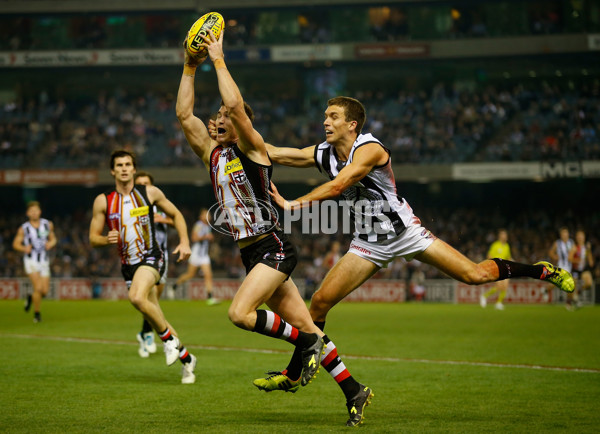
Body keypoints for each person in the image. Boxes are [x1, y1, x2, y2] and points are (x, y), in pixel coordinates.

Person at [262, 95, 575, 398]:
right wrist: (236, 139)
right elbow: (276, 153)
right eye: (325, 115)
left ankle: (540, 270)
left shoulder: (369, 148)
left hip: (405, 233)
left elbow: (340, 184)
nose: (325, 121)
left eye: (333, 117)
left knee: (475, 276)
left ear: (352, 124)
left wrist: (296, 203)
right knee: (318, 302)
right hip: (368, 243)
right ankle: (292, 375)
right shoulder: (326, 152)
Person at [176, 30, 372, 427]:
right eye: (214, 118)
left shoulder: (253, 148)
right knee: (307, 324)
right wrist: (188, 67)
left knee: (239, 313)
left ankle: (305, 346)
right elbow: (183, 115)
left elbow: (234, 103)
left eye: (223, 118)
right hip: (252, 253)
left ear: (238, 123)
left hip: (272, 247)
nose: (216, 121)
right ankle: (355, 391)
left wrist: (217, 59)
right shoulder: (212, 153)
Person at [89, 150, 197, 384]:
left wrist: (185, 241)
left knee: (136, 297)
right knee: (156, 314)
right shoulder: (103, 201)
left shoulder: (149, 193)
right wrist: (106, 238)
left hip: (152, 257)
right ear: (112, 170)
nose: (124, 168)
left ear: (134, 169)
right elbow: (92, 238)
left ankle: (168, 341)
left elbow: (176, 214)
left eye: (128, 164)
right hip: (128, 265)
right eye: (119, 165)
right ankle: (187, 360)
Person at [133, 171, 175, 357]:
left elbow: (175, 219)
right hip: (142, 258)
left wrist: (161, 219)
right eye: (140, 183)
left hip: (161, 256)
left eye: (146, 183)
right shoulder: (131, 206)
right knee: (148, 299)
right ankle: (148, 335)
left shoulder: (159, 204)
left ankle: (144, 333)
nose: (143, 186)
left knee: (154, 298)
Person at [12, 201, 57, 323]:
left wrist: (50, 244)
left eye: (36, 210)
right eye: (31, 211)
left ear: (40, 211)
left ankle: (30, 298)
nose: (34, 213)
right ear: (28, 213)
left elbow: (53, 239)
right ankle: (37, 314)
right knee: (38, 287)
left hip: (44, 260)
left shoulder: (48, 224)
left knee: (45, 291)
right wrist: (23, 248)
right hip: (31, 261)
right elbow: (15, 244)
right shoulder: (24, 228)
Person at [171, 208, 219, 305]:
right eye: (206, 214)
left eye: (209, 215)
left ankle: (210, 297)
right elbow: (194, 238)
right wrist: (206, 237)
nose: (208, 216)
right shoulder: (199, 225)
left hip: (204, 255)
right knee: (190, 274)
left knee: (208, 275)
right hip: (196, 254)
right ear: (201, 216)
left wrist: (211, 239)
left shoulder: (207, 226)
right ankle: (176, 284)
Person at [480, 229, 511, 310]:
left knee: (505, 286)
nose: (505, 236)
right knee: (499, 286)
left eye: (505, 235)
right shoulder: (495, 245)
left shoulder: (507, 246)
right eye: (503, 235)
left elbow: (508, 257)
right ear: (500, 236)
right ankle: (484, 296)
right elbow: (489, 255)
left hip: (505, 268)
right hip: (497, 268)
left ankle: (498, 303)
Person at [548, 226, 574, 307]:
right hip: (561, 267)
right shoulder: (557, 243)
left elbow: (575, 252)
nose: (565, 235)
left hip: (570, 267)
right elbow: (550, 252)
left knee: (563, 284)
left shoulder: (571, 243)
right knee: (566, 283)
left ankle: (545, 291)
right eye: (563, 233)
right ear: (560, 235)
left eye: (566, 233)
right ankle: (568, 303)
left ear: (568, 234)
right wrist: (555, 256)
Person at [568, 229, 594, 309]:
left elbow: (591, 262)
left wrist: (589, 253)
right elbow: (569, 258)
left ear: (584, 237)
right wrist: (577, 260)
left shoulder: (586, 248)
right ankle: (570, 301)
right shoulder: (575, 247)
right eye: (578, 236)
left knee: (589, 283)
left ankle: (578, 292)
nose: (580, 238)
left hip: (583, 269)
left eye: (581, 236)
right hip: (575, 270)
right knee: (572, 287)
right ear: (576, 238)